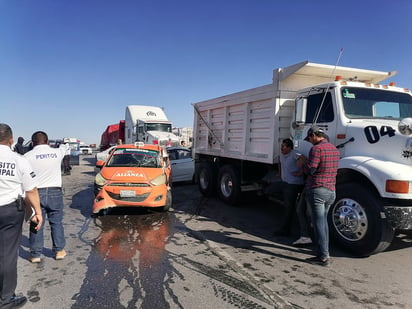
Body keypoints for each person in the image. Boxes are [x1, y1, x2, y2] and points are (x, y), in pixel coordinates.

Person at [0, 123, 43, 308]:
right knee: (7, 254)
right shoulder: (18, 160)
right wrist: (37, 212)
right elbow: (31, 190)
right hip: (9, 211)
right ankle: (6, 298)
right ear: (11, 140)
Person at [24, 131, 69, 263]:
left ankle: (35, 254)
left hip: (36, 193)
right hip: (55, 191)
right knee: (56, 222)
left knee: (36, 222)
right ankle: (59, 251)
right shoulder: (57, 152)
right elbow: (65, 147)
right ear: (47, 141)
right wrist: (63, 142)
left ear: (32, 143)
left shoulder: (27, 156)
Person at [299, 126, 340, 266]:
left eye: (310, 138)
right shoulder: (334, 149)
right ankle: (325, 252)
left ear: (314, 135)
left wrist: (302, 164)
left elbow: (311, 170)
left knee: (318, 224)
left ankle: (323, 257)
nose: (309, 141)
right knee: (323, 223)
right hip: (331, 190)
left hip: (317, 190)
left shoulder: (316, 149)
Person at [266, 138, 305, 236]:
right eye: (281, 146)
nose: (281, 148)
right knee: (270, 191)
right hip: (286, 182)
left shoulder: (294, 153)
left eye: (283, 146)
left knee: (289, 207)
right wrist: (280, 172)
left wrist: (301, 172)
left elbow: (304, 159)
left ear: (289, 147)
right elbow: (280, 162)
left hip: (294, 184)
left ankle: (285, 229)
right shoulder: (282, 155)